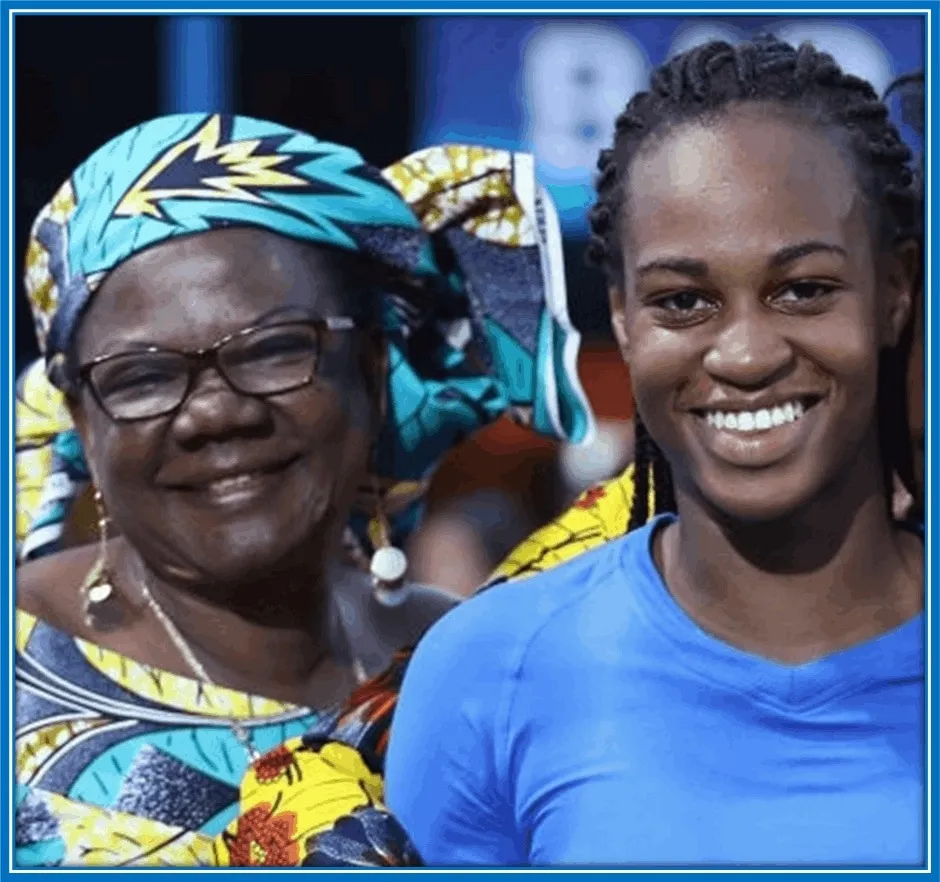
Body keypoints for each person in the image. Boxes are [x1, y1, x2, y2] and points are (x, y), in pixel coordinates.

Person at [384, 36, 925, 866]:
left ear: (895, 292)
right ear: (627, 322)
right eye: (684, 301)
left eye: (804, 289)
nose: (745, 355)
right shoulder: (489, 671)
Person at [14, 115, 594, 867]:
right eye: (144, 376)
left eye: (276, 348)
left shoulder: (455, 661)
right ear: (82, 423)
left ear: (375, 371)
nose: (216, 413)